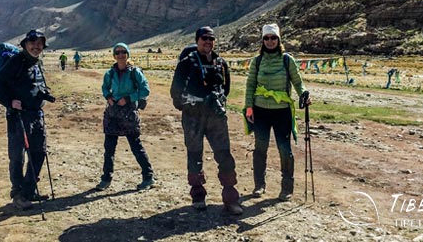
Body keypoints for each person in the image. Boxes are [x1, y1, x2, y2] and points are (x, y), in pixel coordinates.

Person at [170, 26, 243, 215]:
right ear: (197, 40)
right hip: (193, 117)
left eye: (211, 39)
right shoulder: (186, 63)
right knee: (194, 155)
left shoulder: (221, 63)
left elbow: (225, 89)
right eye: (204, 38)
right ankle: (198, 195)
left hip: (216, 118)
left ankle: (231, 198)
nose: (208, 42)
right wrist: (193, 105)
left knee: (224, 155)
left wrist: (215, 102)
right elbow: (175, 93)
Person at [0, 29, 55, 210]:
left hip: (36, 114)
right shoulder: (16, 61)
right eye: (33, 42)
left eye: (40, 43)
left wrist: (44, 94)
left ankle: (29, 190)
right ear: (25, 44)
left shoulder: (36, 63)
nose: (37, 46)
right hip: (18, 116)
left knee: (39, 152)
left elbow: (35, 85)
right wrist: (10, 101)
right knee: (17, 155)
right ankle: (18, 194)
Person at [244, 24, 310, 201]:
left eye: (273, 38)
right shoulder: (256, 61)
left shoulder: (287, 60)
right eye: (267, 38)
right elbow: (250, 86)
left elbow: (297, 82)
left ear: (279, 40)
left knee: (284, 149)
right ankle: (259, 185)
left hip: (282, 112)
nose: (270, 41)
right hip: (260, 111)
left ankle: (287, 188)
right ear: (262, 40)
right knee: (260, 147)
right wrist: (249, 107)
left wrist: (303, 93)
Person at [96, 43, 155, 191]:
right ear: (114, 56)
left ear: (128, 54)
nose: (121, 55)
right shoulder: (110, 73)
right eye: (118, 53)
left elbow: (145, 90)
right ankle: (106, 179)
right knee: (109, 148)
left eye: (123, 52)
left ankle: (148, 177)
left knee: (136, 146)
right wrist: (108, 96)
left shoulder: (135, 72)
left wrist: (129, 98)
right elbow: (105, 87)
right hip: (113, 113)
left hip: (129, 113)